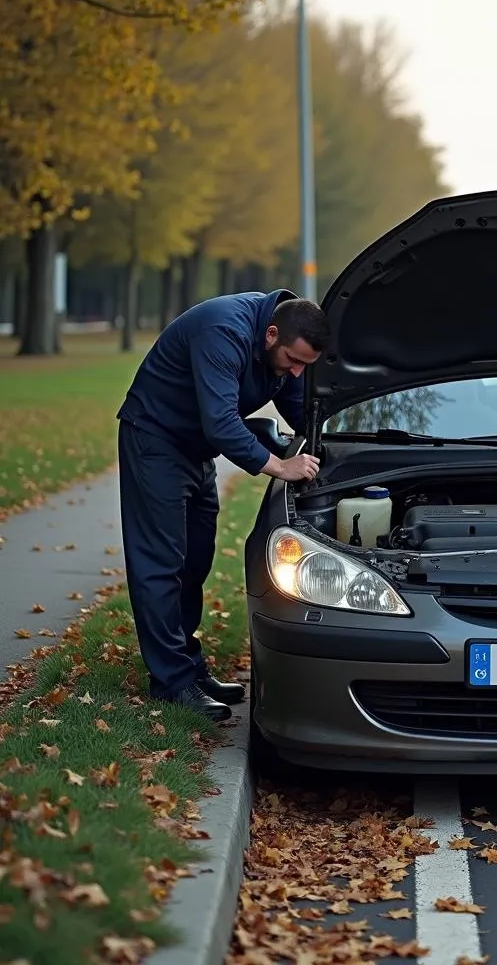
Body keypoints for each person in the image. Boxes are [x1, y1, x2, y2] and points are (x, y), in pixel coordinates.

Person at [115, 289, 330, 721]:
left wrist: (329, 437)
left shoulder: (281, 346)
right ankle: (171, 683)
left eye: (307, 365)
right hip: (155, 441)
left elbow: (298, 406)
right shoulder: (223, 330)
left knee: (196, 559)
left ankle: (188, 667)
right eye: (294, 361)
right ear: (271, 335)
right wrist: (280, 467)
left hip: (195, 450)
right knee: (161, 563)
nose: (297, 372)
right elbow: (221, 422)